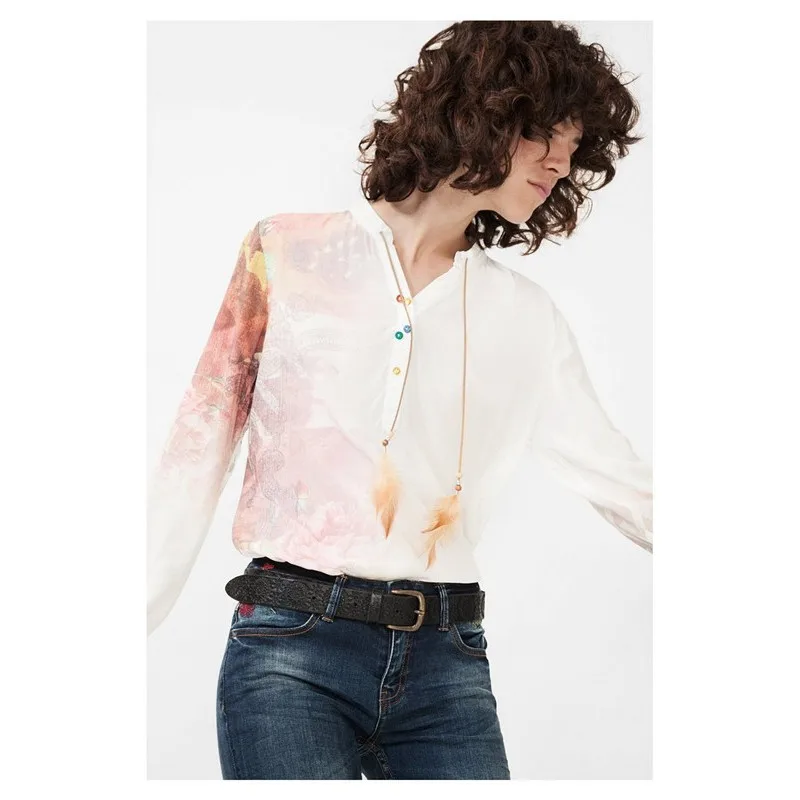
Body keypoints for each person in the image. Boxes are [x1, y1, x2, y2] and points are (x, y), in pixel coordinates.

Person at [147, 20, 652, 780]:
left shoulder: (524, 315)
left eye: (575, 146)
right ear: (476, 113)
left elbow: (621, 481)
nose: (560, 161)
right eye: (544, 133)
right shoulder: (287, 251)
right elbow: (200, 442)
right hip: (290, 647)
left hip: (449, 663)